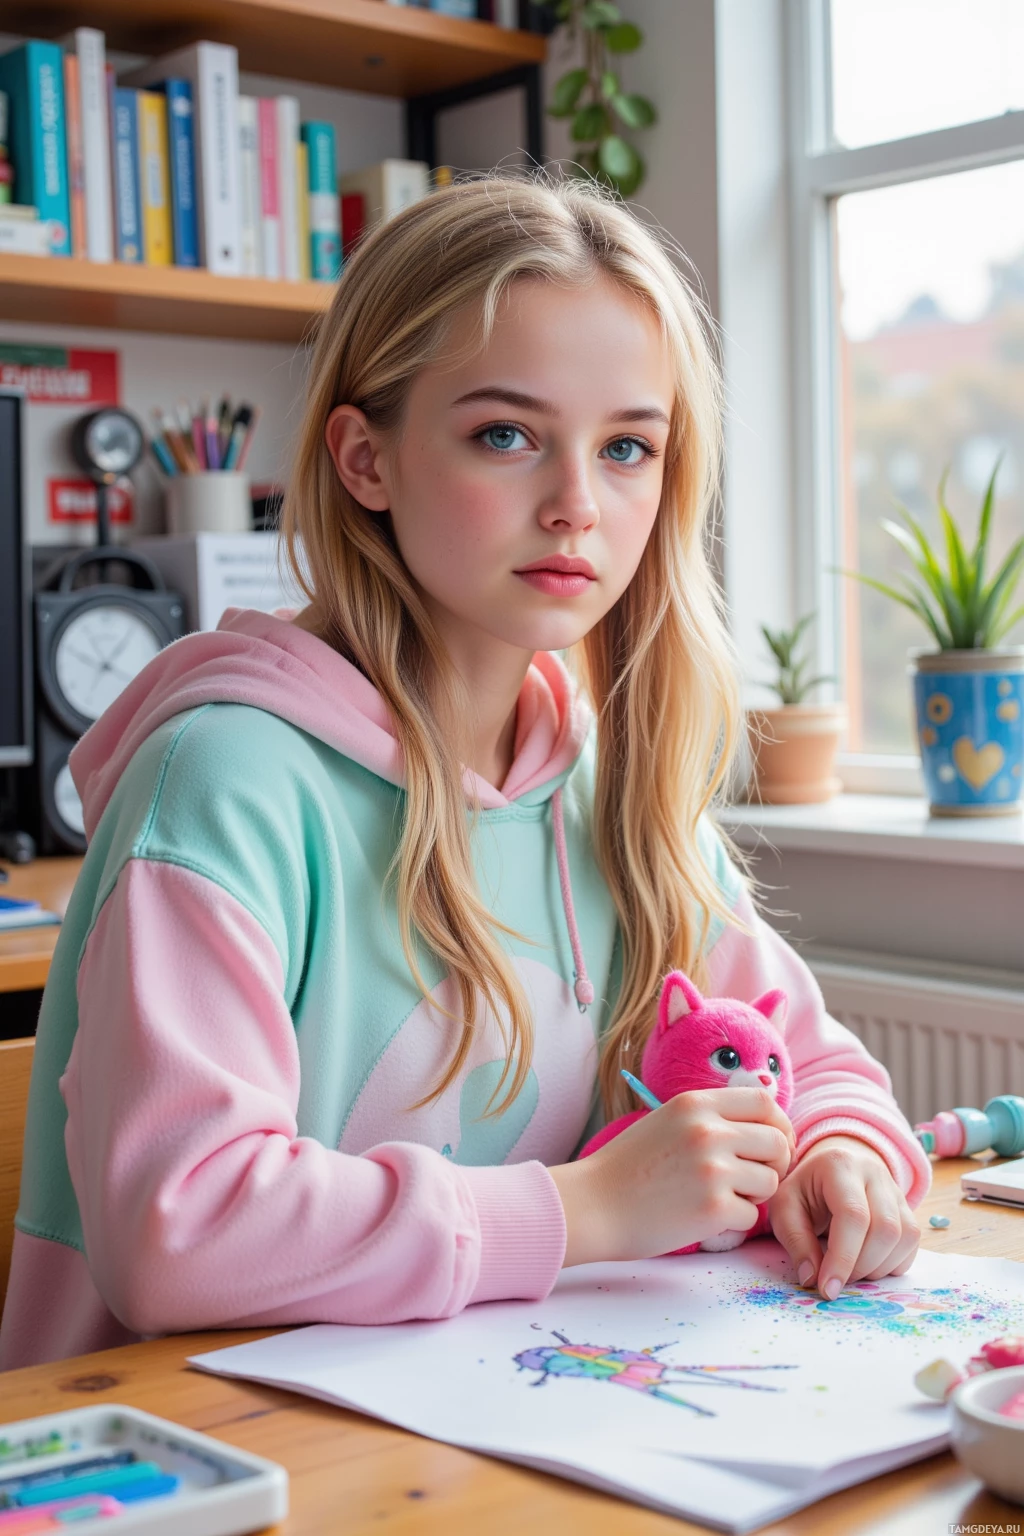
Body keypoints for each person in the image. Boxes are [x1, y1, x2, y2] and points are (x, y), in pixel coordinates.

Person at [0, 172, 930, 1372]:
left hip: (497, 1426)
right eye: (506, 435)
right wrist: (587, 1209)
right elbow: (179, 1231)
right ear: (363, 457)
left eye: (629, 448)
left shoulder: (612, 791)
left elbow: (811, 1061)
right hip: (190, 1462)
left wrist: (838, 1152)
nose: (576, 506)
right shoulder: (224, 782)